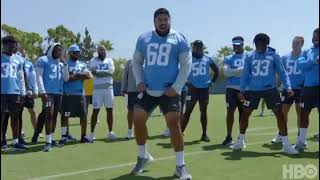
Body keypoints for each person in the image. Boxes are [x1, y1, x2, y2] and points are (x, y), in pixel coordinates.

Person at [131, 8, 192, 179]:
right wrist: (139, 81)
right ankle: (143, 156)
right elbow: (136, 61)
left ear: (170, 20)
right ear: (154, 22)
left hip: (169, 90)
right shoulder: (144, 38)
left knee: (174, 125)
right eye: (160, 20)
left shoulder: (179, 38)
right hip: (148, 89)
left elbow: (186, 64)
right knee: (138, 120)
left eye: (166, 19)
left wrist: (177, 86)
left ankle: (181, 165)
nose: (163, 22)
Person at [231, 33, 299, 155]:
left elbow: (283, 73)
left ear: (267, 44)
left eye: (262, 44)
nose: (259, 46)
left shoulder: (274, 55)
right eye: (257, 44)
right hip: (252, 91)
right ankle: (240, 141)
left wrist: (288, 87)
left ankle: (286, 145)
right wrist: (241, 90)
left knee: (280, 115)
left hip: (270, 90)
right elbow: (245, 74)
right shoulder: (249, 56)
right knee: (245, 114)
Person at [181, 40, 219, 142]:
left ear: (202, 48)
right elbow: (181, 72)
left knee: (203, 112)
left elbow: (216, 71)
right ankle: (180, 133)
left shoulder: (207, 58)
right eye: (195, 47)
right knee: (187, 112)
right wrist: (186, 83)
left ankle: (204, 134)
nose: (197, 49)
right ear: (193, 48)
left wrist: (212, 82)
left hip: (204, 90)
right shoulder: (188, 58)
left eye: (199, 47)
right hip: (192, 89)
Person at [34, 43, 69, 152]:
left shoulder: (60, 63)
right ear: (51, 50)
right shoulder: (43, 60)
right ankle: (48, 142)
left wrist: (66, 65)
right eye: (57, 51)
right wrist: (42, 91)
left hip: (58, 93)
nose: (59, 53)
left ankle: (51, 138)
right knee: (49, 114)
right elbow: (38, 76)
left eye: (60, 51)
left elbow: (66, 79)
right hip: (48, 93)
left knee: (52, 116)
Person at [271, 36, 304, 144]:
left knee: (301, 113)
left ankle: (300, 138)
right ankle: (281, 134)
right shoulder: (285, 57)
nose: (294, 44)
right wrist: (276, 87)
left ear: (302, 44)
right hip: (287, 88)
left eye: (297, 43)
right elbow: (281, 74)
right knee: (283, 113)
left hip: (301, 88)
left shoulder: (305, 56)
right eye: (293, 42)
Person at [58, 44, 92, 146]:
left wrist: (75, 75)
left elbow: (87, 76)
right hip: (67, 94)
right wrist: (79, 76)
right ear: (70, 53)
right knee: (65, 116)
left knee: (83, 116)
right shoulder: (64, 64)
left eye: (78, 52)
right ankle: (64, 137)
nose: (78, 54)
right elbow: (66, 78)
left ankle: (83, 136)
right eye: (75, 52)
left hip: (80, 95)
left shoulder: (82, 64)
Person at [293, 28, 319, 150]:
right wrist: (315, 61)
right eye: (314, 36)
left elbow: (305, 64)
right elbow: (301, 64)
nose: (315, 39)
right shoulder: (307, 51)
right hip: (308, 88)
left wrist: (309, 64)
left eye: (318, 37)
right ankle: (302, 141)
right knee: (303, 114)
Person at [1, 35, 27, 150]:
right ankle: (3, 141)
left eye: (14, 47)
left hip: (15, 93)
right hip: (2, 93)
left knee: (15, 117)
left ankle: (16, 141)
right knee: (3, 117)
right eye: (11, 47)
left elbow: (21, 78)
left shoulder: (19, 60)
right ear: (5, 45)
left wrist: (23, 93)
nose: (13, 49)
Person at [88, 45, 117, 142]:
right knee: (95, 111)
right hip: (97, 90)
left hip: (109, 89)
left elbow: (111, 72)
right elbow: (93, 72)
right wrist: (105, 72)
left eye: (104, 50)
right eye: (100, 50)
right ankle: (91, 134)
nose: (102, 51)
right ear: (98, 51)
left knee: (110, 110)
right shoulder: (93, 60)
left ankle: (110, 132)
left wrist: (99, 72)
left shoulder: (110, 60)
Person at [221, 36, 245, 146]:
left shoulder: (248, 57)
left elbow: (248, 72)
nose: (235, 46)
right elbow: (225, 72)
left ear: (242, 44)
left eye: (238, 44)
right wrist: (239, 71)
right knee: (230, 111)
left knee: (243, 113)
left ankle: (241, 137)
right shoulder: (229, 57)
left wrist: (232, 71)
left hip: (244, 89)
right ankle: (229, 136)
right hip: (231, 88)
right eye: (234, 44)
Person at [121, 59, 139, 139]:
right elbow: (125, 76)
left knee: (142, 112)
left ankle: (140, 131)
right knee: (131, 111)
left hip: (143, 91)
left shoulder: (147, 61)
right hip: (131, 90)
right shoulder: (129, 62)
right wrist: (123, 88)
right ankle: (130, 131)